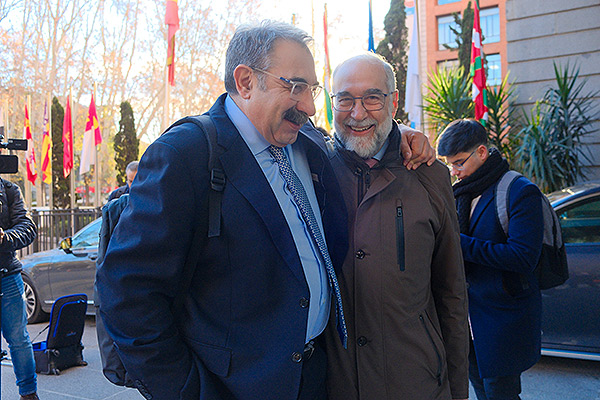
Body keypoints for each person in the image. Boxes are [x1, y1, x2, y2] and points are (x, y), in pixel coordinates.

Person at [96, 21, 432, 400]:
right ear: (245, 82)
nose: (308, 105)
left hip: (316, 377)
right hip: (234, 389)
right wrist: (189, 392)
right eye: (295, 87)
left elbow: (358, 136)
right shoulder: (185, 154)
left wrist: (399, 134)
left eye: (312, 89)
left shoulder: (306, 141)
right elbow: (126, 297)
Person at [323, 53, 470, 400]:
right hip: (335, 385)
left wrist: (458, 391)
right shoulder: (312, 166)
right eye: (345, 98)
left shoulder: (429, 174)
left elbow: (451, 292)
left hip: (416, 382)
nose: (358, 113)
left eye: (373, 97)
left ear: (394, 100)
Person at [437, 119, 544, 400]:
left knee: (501, 394)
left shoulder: (520, 190)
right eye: (450, 164)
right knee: (482, 392)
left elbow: (524, 257)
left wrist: (459, 245)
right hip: (466, 320)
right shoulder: (459, 192)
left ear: (482, 152)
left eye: (459, 162)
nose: (454, 171)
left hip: (502, 321)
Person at [0, 178, 39, 400]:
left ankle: (29, 393)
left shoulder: (9, 189)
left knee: (18, 338)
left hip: (7, 273)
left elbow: (27, 228)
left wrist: (5, 237)